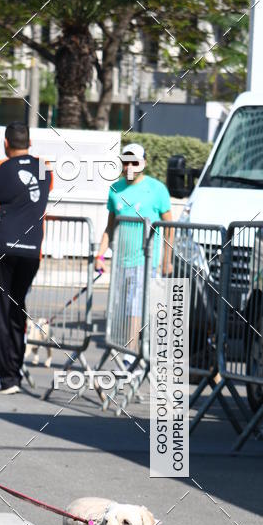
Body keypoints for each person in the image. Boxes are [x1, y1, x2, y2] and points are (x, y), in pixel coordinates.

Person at [0, 122, 53, 393]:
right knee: (17, 310)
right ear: (30, 143)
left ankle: (4, 378)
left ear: (6, 143)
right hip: (32, 250)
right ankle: (14, 371)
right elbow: (39, 198)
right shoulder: (45, 167)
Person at [96, 142, 173, 371]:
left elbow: (170, 225)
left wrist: (166, 259)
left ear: (144, 163)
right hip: (121, 261)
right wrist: (99, 255)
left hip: (145, 260)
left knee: (133, 309)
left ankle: (130, 358)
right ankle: (129, 354)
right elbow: (110, 227)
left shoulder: (157, 189)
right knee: (120, 309)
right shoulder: (115, 189)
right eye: (125, 161)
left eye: (134, 162)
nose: (129, 166)